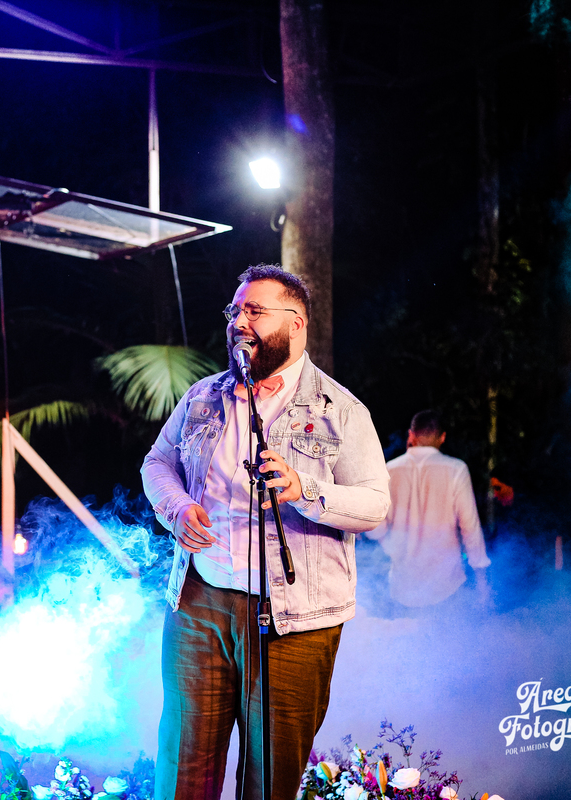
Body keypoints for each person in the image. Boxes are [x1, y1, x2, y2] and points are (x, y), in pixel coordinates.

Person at [142, 265, 390, 800]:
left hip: (294, 619)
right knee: (183, 765)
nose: (239, 321)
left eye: (254, 311)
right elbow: (157, 463)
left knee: (270, 776)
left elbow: (375, 505)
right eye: (235, 310)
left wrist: (305, 490)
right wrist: (177, 506)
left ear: (296, 323)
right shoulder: (204, 396)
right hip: (200, 601)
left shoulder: (341, 410)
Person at [366, 410, 492, 612]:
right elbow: (470, 527)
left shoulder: (389, 470)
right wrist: (482, 582)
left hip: (402, 588)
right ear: (442, 437)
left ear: (411, 435)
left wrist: (393, 549)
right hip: (446, 587)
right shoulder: (456, 469)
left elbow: (375, 529)